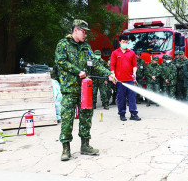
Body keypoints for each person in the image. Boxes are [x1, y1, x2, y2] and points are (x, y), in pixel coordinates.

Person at [55, 19, 115, 161]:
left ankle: (85, 145)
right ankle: (66, 149)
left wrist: (108, 73)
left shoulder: (86, 47)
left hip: (85, 88)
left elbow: (94, 63)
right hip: (69, 88)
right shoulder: (63, 44)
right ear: (75, 30)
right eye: (84, 31)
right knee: (67, 119)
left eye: (87, 32)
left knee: (86, 117)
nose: (86, 35)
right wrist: (78, 71)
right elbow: (61, 61)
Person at [110, 34, 141, 121]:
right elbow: (112, 65)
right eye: (123, 42)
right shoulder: (115, 53)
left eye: (126, 42)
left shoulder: (131, 53)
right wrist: (113, 75)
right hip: (120, 81)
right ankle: (122, 114)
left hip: (130, 80)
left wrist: (134, 72)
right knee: (121, 98)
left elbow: (135, 65)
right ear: (119, 42)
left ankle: (133, 114)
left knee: (132, 97)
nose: (125, 43)